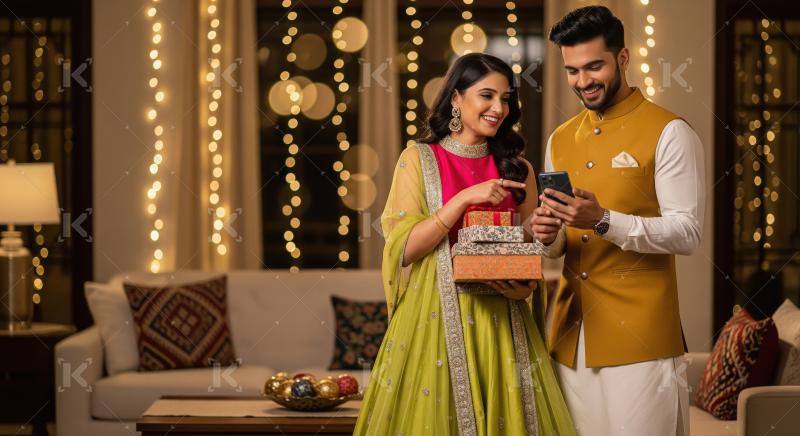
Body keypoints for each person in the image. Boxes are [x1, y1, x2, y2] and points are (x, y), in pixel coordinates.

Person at [353, 53, 575, 435]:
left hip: (505, 323)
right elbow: (405, 248)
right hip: (436, 318)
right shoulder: (418, 160)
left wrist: (534, 254)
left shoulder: (516, 167)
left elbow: (529, 246)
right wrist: (463, 199)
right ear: (456, 98)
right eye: (486, 95)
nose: (498, 108)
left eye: (505, 99)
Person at [531, 6, 705, 436]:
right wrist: (546, 235)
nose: (583, 81)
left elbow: (687, 233)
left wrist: (605, 220)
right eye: (572, 70)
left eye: (595, 66)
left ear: (622, 59)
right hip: (570, 335)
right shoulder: (560, 138)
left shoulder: (670, 132)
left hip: (641, 340)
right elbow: (559, 246)